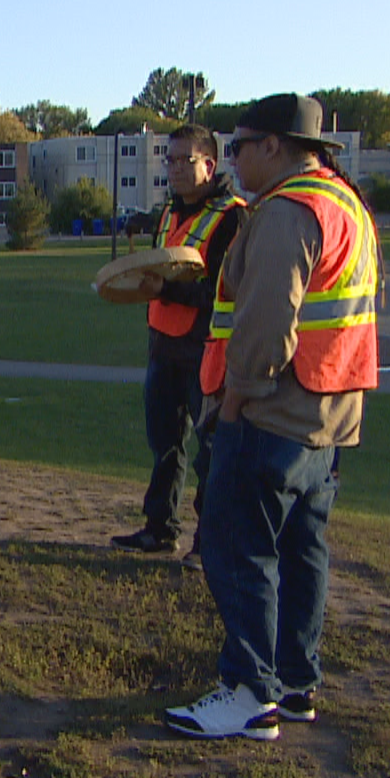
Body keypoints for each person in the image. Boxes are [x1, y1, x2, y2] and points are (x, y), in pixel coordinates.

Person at [165, 94, 380, 741]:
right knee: (302, 550)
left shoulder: (287, 211)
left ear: (274, 147)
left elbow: (263, 324)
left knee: (237, 548)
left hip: (273, 412)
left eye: (237, 146)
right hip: (330, 414)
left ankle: (248, 691)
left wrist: (233, 403)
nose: (232, 159)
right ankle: (293, 684)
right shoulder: (346, 203)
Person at [111, 124, 246, 567]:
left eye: (184, 160)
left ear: (210, 163)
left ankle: (209, 544)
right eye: (168, 159)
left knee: (212, 452)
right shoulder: (170, 212)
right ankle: (159, 529)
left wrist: (164, 291)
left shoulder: (233, 216)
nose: (174, 169)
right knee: (165, 444)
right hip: (163, 346)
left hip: (205, 349)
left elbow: (227, 292)